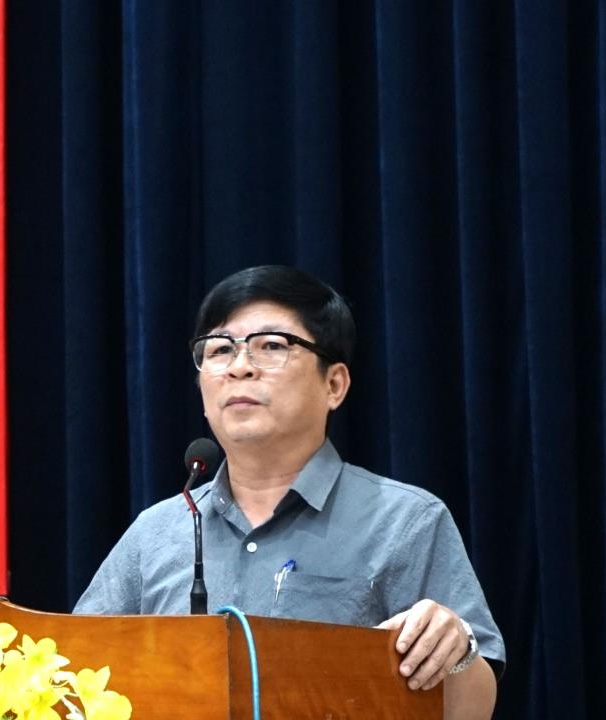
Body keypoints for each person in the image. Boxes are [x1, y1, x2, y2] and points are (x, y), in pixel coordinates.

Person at [75, 265, 504, 719]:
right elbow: (70, 675)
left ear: (334, 384)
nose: (239, 367)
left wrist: (457, 649)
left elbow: (472, 711)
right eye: (219, 350)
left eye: (271, 346)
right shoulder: (157, 533)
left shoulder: (405, 520)